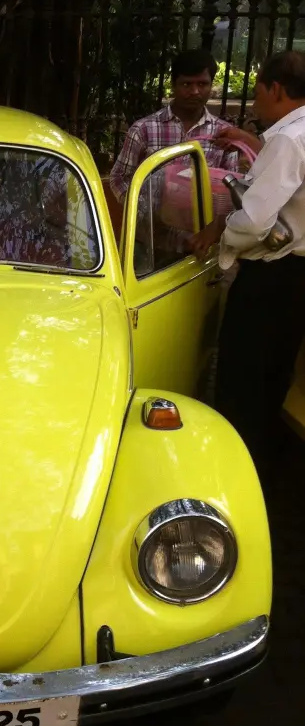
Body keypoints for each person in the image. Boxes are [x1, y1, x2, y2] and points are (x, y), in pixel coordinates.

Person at [190, 50, 305, 474]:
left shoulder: (288, 140)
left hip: (271, 278)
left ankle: (234, 470)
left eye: (257, 92)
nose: (255, 103)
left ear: (276, 90)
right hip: (296, 278)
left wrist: (224, 235)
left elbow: (255, 219)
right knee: (273, 376)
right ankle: (263, 469)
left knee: (242, 383)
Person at [108, 48, 261, 206]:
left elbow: (229, 186)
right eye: (186, 84)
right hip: (151, 221)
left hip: (203, 222)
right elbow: (119, 178)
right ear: (174, 84)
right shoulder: (144, 130)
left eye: (202, 84)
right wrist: (145, 210)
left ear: (211, 85)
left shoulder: (223, 134)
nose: (194, 91)